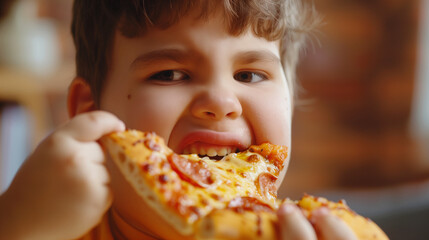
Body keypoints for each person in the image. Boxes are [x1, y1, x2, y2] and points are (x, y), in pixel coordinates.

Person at [0, 0, 358, 239]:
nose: (220, 103)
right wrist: (18, 225)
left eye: (249, 75)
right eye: (170, 74)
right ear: (89, 110)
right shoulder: (46, 226)